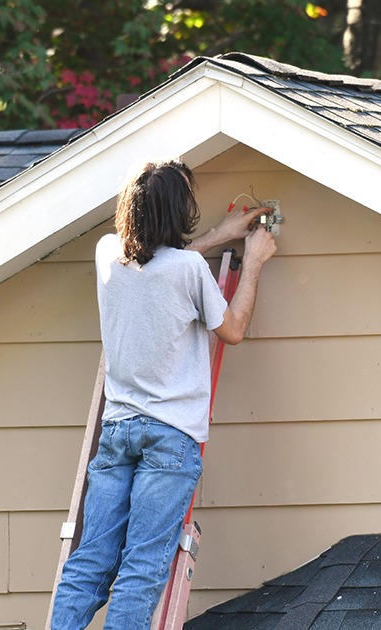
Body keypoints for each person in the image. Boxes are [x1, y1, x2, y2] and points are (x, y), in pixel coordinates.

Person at [51, 159, 277, 629]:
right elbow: (231, 329)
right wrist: (252, 261)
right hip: (169, 438)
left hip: (116, 434)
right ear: (178, 212)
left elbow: (158, 259)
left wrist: (218, 233)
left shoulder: (106, 253)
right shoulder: (189, 269)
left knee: (90, 562)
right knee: (141, 568)